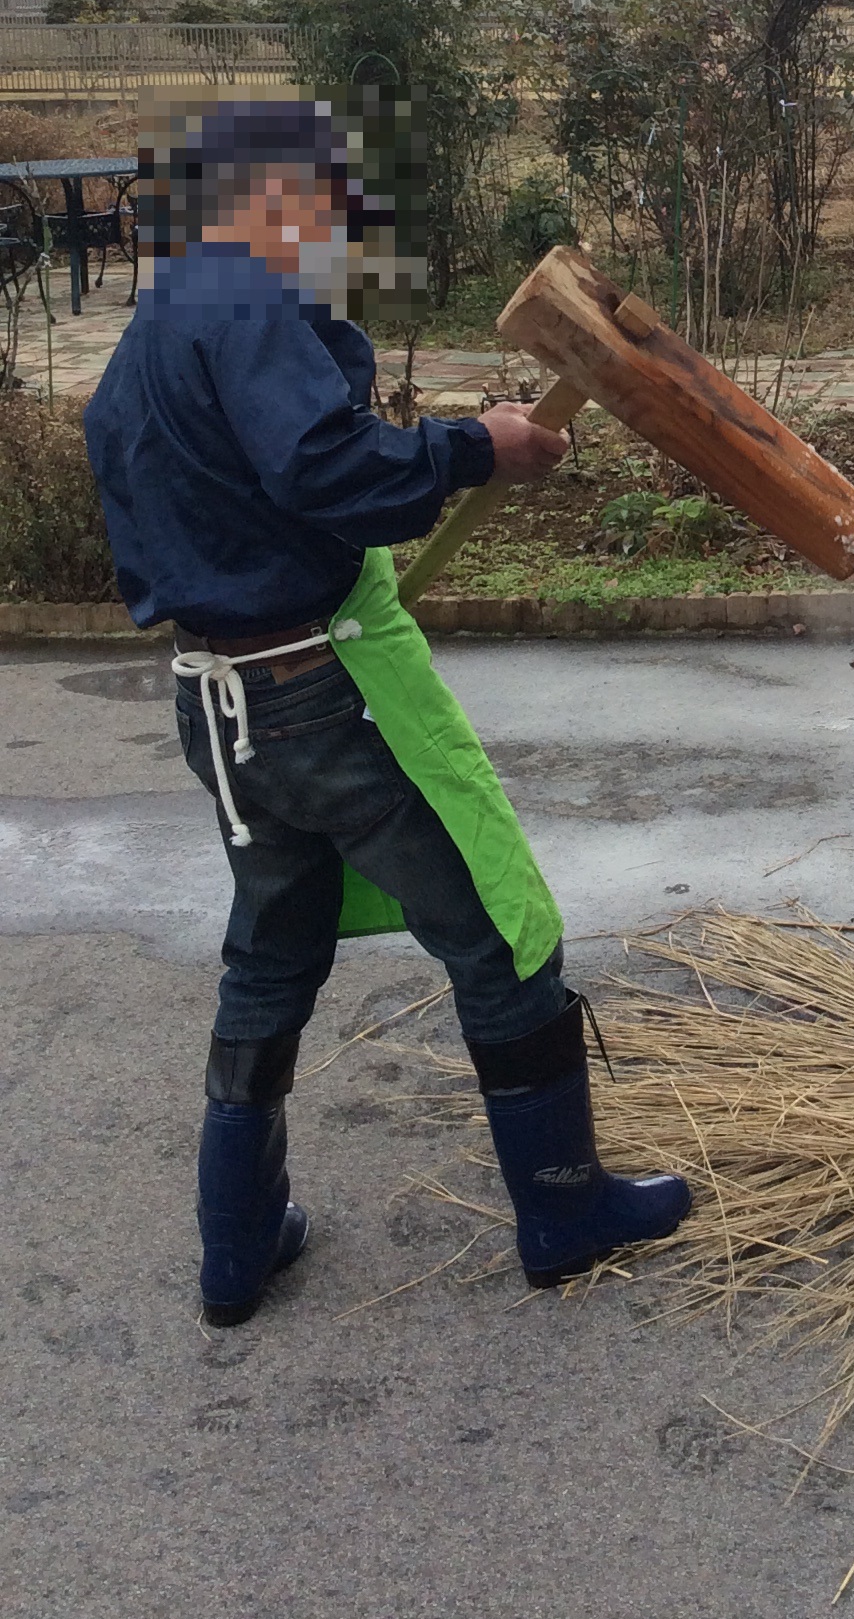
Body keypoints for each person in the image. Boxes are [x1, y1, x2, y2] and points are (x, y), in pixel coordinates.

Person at [82, 102, 689, 1328]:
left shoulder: (165, 314)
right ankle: (565, 1210)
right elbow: (322, 467)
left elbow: (246, 472)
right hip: (314, 697)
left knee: (268, 959)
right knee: (499, 932)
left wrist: (429, 439)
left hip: (221, 703)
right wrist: (476, 450)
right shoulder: (243, 297)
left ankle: (236, 1248)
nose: (338, 233)